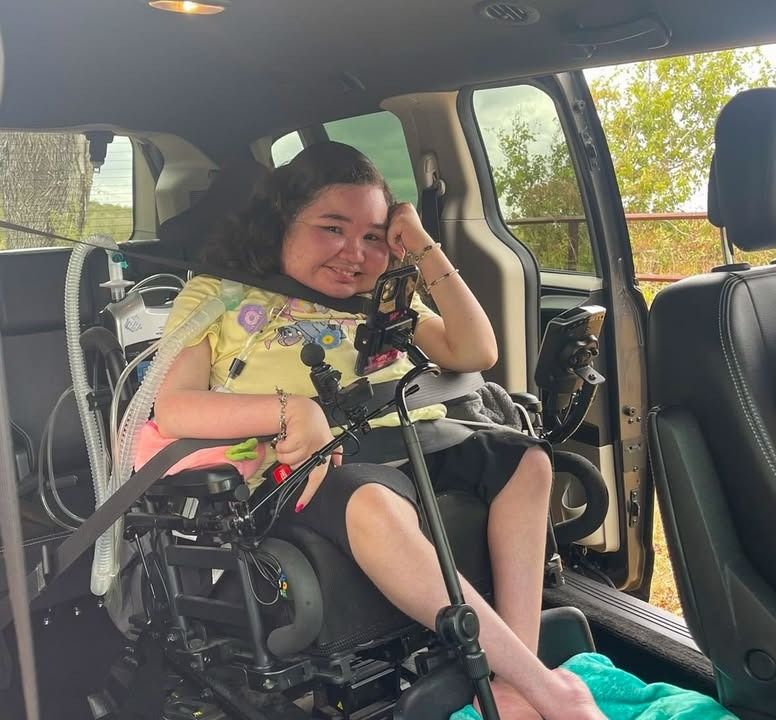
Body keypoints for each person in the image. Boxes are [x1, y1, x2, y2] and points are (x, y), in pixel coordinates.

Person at [147, 141, 604, 720]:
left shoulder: (379, 300)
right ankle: (547, 691)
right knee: (372, 501)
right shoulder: (218, 294)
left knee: (527, 459)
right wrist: (291, 409)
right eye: (332, 228)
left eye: (373, 236)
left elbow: (476, 350)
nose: (354, 253)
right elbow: (173, 408)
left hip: (416, 442)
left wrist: (422, 247)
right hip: (316, 468)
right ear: (281, 220)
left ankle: (514, 675)